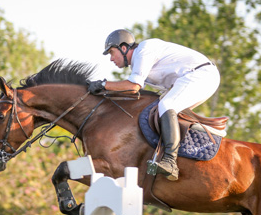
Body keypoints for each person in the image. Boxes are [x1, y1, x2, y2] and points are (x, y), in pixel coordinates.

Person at [88, 29, 220, 181]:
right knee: (161, 109)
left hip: (201, 75)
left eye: (112, 52)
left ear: (123, 48)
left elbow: (133, 87)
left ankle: (170, 161)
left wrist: (104, 84)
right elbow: (134, 91)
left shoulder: (143, 50)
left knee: (167, 104)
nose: (111, 59)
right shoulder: (138, 62)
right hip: (196, 77)